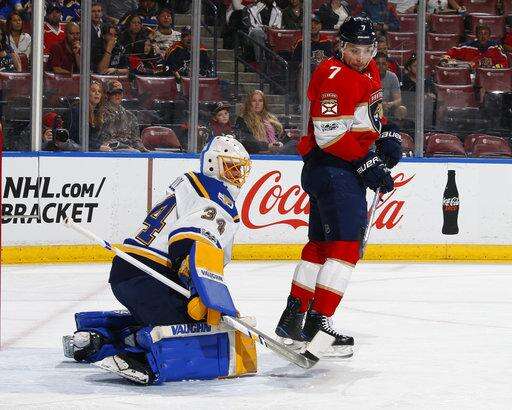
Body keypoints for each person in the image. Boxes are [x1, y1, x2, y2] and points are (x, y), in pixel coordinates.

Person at [62, 136, 256, 385]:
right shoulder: (216, 196)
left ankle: (96, 338)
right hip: (151, 276)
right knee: (196, 330)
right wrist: (200, 293)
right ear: (212, 164)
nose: (237, 174)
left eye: (239, 168)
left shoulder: (190, 185)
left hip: (130, 271)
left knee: (178, 318)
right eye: (231, 166)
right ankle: (138, 359)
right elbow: (187, 243)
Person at [274, 16, 401, 355]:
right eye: (354, 50)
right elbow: (329, 136)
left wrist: (387, 134)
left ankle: (293, 318)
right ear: (341, 47)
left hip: (335, 170)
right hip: (333, 168)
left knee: (321, 246)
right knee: (346, 248)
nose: (360, 56)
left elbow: (370, 114)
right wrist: (366, 162)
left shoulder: (369, 70)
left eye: (366, 50)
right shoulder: (333, 76)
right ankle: (319, 324)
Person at [98, 80, 146, 152]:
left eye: (120, 93)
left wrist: (144, 151)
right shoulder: (101, 114)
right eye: (114, 93)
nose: (117, 95)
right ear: (108, 95)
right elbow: (101, 139)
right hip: (109, 149)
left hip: (129, 150)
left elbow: (136, 140)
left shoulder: (130, 116)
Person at [234, 89, 286, 154]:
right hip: (255, 154)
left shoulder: (271, 118)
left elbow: (282, 136)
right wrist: (267, 146)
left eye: (260, 101)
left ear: (264, 103)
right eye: (254, 101)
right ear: (249, 103)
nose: (257, 104)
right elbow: (246, 140)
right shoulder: (242, 119)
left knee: (293, 144)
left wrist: (280, 143)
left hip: (276, 153)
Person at [442, 24, 508, 69]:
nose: (483, 37)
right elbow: (452, 52)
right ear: (476, 35)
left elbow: (504, 63)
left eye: (485, 34)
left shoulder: (496, 48)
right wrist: (446, 58)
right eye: (480, 34)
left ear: (489, 36)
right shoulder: (467, 46)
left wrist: (494, 68)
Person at [69, 81, 105, 150]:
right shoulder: (77, 111)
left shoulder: (97, 112)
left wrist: (103, 144)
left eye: (99, 91)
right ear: (86, 94)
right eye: (93, 91)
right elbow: (76, 138)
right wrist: (98, 146)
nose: (97, 93)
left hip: (92, 148)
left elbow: (97, 138)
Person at [375, 52, 406, 120]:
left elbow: (398, 100)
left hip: (388, 109)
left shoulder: (392, 76)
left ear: (387, 65)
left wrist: (390, 104)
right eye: (378, 64)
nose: (381, 66)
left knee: (402, 109)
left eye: (383, 64)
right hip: (371, 107)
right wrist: (380, 105)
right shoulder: (368, 76)